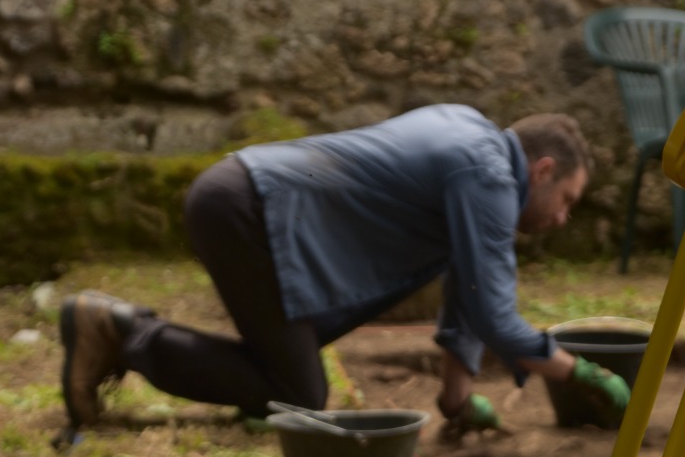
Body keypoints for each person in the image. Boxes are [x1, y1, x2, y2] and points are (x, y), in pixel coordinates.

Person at [58, 103, 632, 437]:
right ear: (543, 169)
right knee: (297, 394)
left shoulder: (473, 139)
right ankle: (118, 332)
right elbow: (495, 317)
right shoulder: (486, 176)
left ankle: (120, 332)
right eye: (567, 199)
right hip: (250, 210)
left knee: (288, 377)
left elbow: (470, 291)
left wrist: (457, 401)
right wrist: (582, 375)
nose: (563, 218)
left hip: (244, 199)